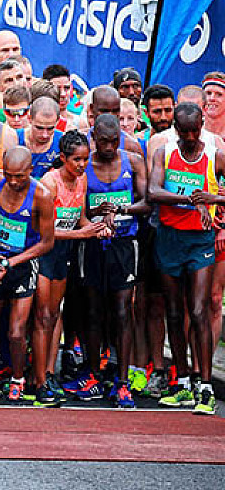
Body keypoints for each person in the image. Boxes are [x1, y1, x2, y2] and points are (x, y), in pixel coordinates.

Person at [148, 103, 225, 415]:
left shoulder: (215, 155)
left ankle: (205, 386)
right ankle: (180, 382)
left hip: (200, 240)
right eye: (185, 132)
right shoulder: (164, 153)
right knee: (174, 311)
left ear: (202, 125)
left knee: (199, 310)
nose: (191, 137)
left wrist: (213, 198)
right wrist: (192, 200)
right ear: (176, 130)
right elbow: (153, 192)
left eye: (196, 131)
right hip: (170, 238)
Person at [74, 115, 148, 408]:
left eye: (113, 141)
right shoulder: (84, 166)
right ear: (94, 138)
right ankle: (93, 373)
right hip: (92, 243)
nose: (108, 147)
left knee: (122, 311)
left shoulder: (133, 161)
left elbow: (147, 202)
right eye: (102, 141)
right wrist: (96, 215)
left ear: (120, 138)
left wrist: (120, 210)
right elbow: (76, 206)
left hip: (124, 243)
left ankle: (123, 380)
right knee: (93, 310)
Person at [0, 147, 54, 403]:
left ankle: (18, 379)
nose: (14, 181)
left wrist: (11, 262)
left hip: (22, 264)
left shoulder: (41, 195)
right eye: (9, 175)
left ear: (31, 170)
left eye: (20, 176)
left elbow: (47, 242)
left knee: (17, 332)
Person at [31, 132, 103, 406]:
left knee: (54, 314)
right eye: (76, 160)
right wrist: (80, 235)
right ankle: (38, 378)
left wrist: (96, 228)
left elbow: (80, 218)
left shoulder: (82, 180)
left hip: (64, 255)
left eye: (85, 159)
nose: (82, 165)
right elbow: (43, 232)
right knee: (42, 315)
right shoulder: (49, 183)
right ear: (63, 158)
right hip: (44, 253)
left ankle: (50, 372)